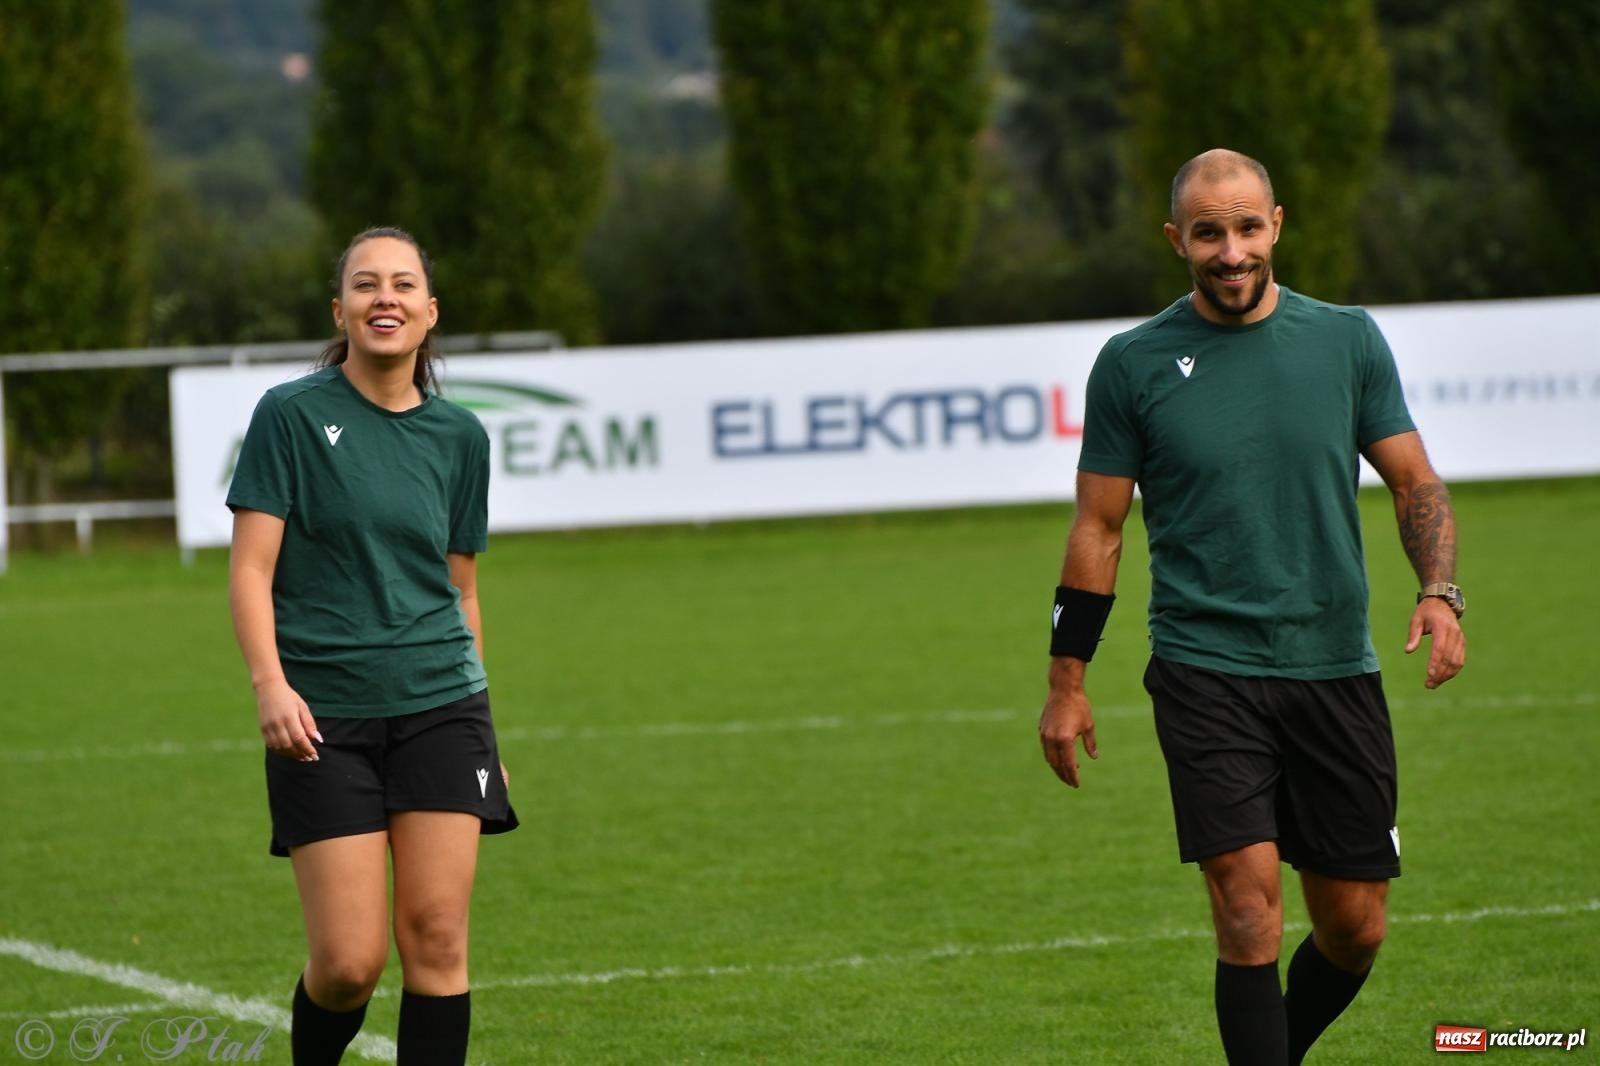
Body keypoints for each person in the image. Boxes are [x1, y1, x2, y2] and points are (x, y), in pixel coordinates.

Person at [1038, 149, 1466, 1065]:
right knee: (1246, 911)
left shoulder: (1347, 340)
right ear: (1176, 241)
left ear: (1276, 225)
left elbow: (1415, 482)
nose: (1229, 251)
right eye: (1207, 233)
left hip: (1333, 669)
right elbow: (1099, 530)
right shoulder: (1132, 364)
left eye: (1245, 228)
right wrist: (1066, 681)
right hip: (1204, 671)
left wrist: (1439, 592)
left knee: (1354, 928)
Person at [228, 226, 516, 1065]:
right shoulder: (290, 415)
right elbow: (251, 570)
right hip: (324, 717)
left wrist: (486, 728)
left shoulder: (462, 436)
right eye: (365, 285)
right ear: (340, 310)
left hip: (442, 709)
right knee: (349, 965)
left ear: (430, 313)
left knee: (437, 940)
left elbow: (460, 589)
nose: (383, 297)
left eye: (401, 285)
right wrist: (269, 686)